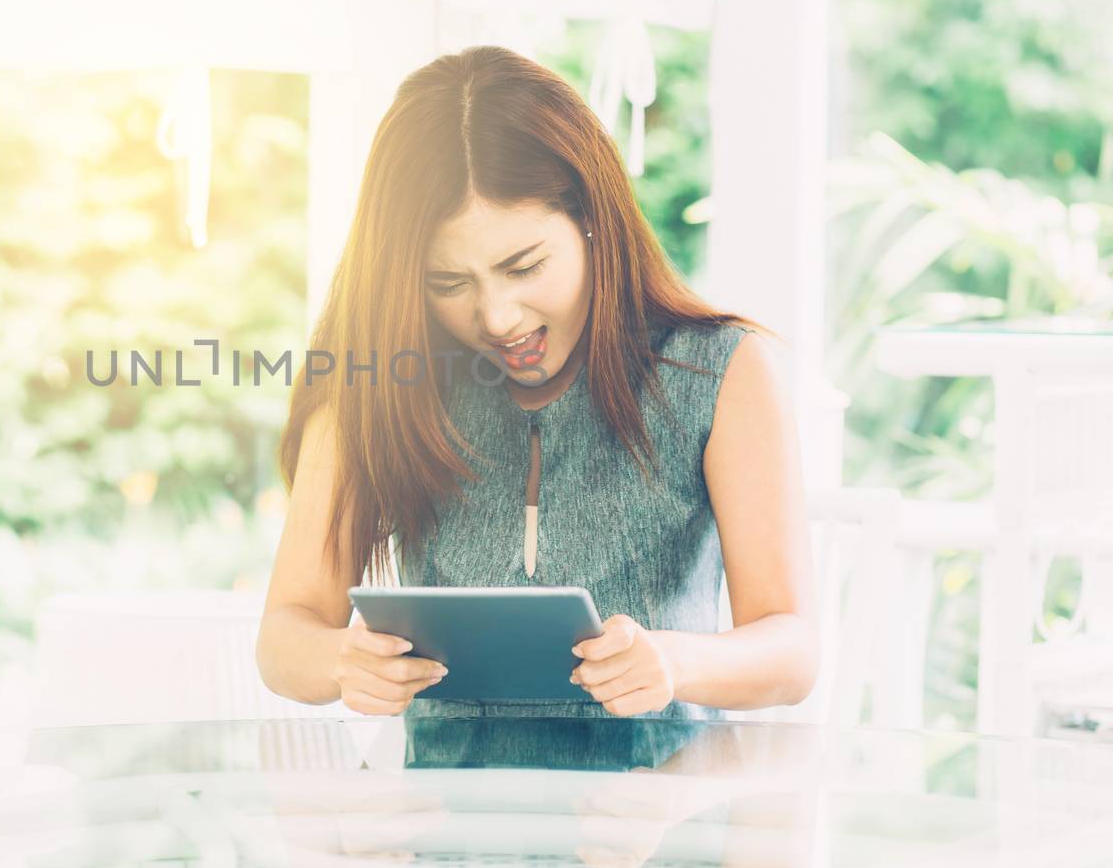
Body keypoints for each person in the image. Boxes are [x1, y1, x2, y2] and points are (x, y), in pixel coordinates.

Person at [255, 46, 817, 721]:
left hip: (657, 811)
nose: (495, 317)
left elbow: (792, 650)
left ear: (592, 220)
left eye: (523, 266)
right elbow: (284, 635)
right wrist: (339, 660)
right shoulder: (379, 383)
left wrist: (675, 660)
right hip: (438, 820)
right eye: (449, 283)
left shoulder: (722, 369)